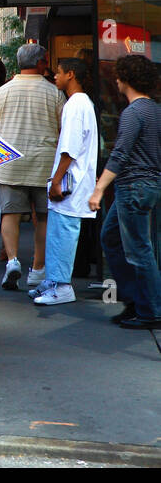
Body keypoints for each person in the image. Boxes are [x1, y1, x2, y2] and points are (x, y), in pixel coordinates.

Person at [89, 54, 161, 329]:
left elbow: (120, 154)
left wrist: (98, 190)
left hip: (133, 186)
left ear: (126, 79)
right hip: (146, 184)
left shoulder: (133, 113)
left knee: (138, 250)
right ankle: (137, 302)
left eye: (119, 76)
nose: (115, 81)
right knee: (113, 239)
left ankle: (150, 309)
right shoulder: (154, 109)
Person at [0, 43, 64, 290]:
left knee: (10, 214)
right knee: (43, 217)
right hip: (44, 164)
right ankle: (37, 267)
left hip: (10, 163)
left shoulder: (2, 92)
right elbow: (61, 129)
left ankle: (12, 260)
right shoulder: (54, 93)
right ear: (41, 62)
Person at [35, 58, 98, 306]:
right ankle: (54, 281)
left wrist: (57, 180)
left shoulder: (75, 104)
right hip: (76, 179)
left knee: (63, 233)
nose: (55, 77)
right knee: (60, 232)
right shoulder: (82, 103)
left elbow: (70, 148)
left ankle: (61, 286)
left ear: (71, 74)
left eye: (59, 73)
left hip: (71, 181)